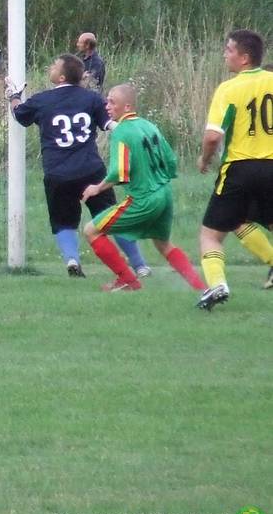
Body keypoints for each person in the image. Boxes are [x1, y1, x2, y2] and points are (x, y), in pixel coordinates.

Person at [8, 54, 150, 278]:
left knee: (63, 221)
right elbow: (111, 125)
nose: (51, 67)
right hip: (90, 170)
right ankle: (140, 265)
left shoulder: (42, 100)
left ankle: (72, 260)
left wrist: (14, 96)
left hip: (57, 173)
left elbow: (19, 114)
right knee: (112, 219)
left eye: (55, 65)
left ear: (62, 77)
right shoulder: (91, 98)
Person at [79, 84, 206, 293]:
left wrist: (97, 188)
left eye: (112, 102)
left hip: (144, 198)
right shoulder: (149, 126)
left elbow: (119, 171)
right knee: (163, 244)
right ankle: (201, 288)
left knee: (91, 230)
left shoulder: (121, 131)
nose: (107, 106)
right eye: (107, 101)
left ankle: (127, 280)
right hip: (164, 193)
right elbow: (171, 161)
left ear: (127, 106)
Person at [194, 29, 273, 309]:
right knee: (248, 221)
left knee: (211, 234)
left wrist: (205, 160)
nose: (224, 55)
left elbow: (213, 136)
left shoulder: (229, 88)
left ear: (244, 57)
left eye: (229, 50)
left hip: (240, 169)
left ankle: (218, 285)